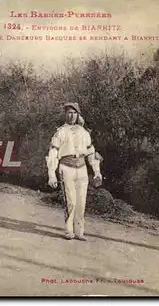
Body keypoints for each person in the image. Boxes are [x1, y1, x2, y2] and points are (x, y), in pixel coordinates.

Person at [46, 102, 103, 241]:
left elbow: (91, 153)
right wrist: (51, 175)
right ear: (65, 114)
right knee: (70, 201)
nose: (72, 116)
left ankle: (79, 231)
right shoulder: (60, 132)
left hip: (82, 169)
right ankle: (69, 230)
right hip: (66, 168)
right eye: (69, 113)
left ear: (78, 115)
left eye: (74, 113)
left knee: (81, 201)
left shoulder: (84, 132)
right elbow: (53, 153)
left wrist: (97, 172)